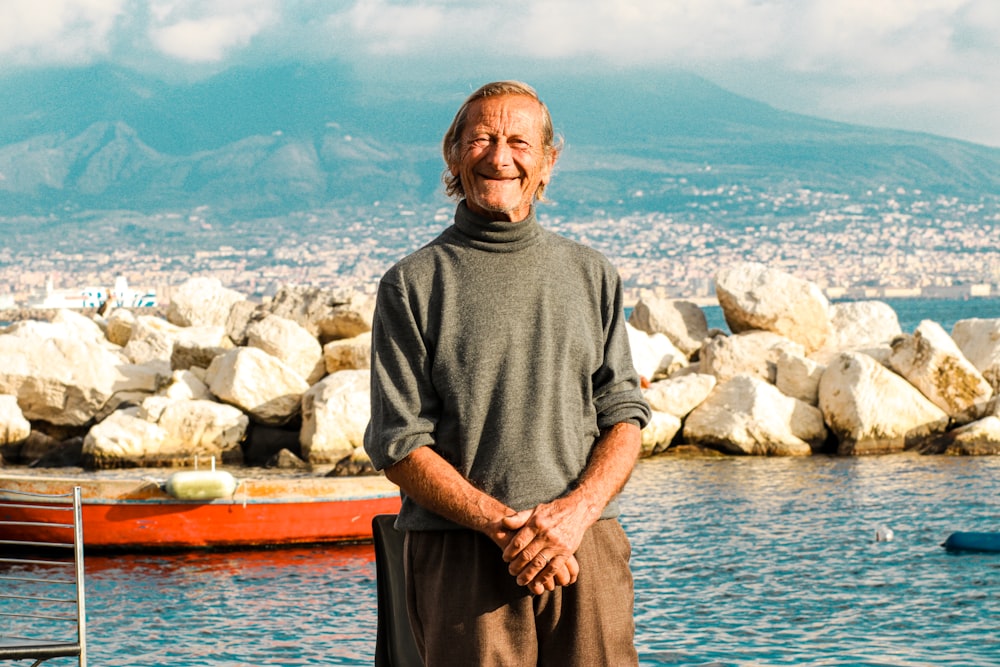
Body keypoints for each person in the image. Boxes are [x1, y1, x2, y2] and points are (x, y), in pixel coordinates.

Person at [364, 80, 651, 666]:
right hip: (460, 557)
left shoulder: (591, 273)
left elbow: (623, 414)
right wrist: (506, 529)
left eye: (518, 141)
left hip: (585, 547)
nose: (500, 157)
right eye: (481, 139)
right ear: (454, 155)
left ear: (548, 161)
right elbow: (397, 442)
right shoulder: (412, 284)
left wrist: (575, 514)